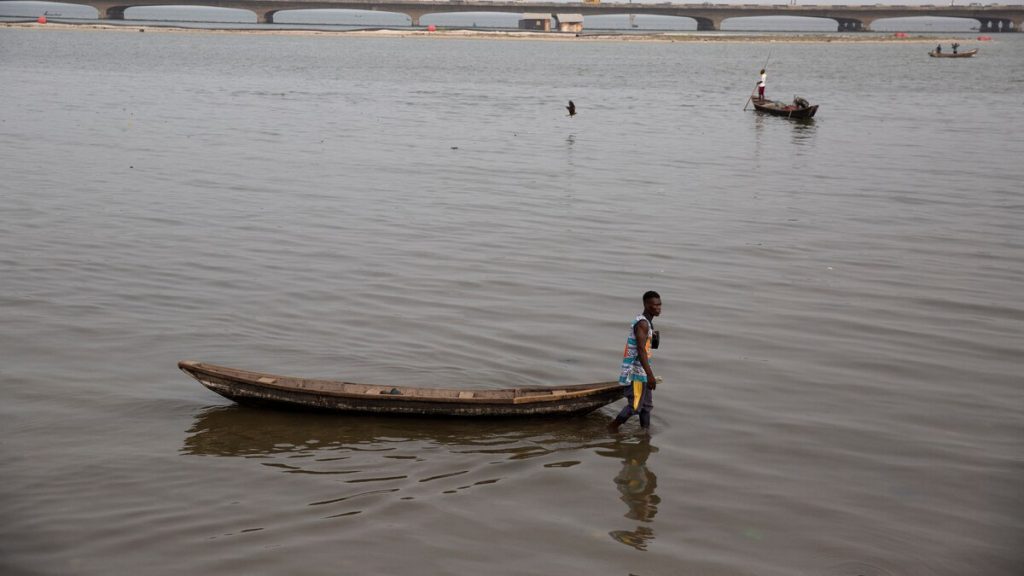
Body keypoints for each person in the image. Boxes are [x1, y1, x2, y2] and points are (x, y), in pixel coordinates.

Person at [608, 291, 661, 433]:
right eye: (654, 305)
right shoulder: (642, 324)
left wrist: (653, 338)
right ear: (646, 305)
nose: (658, 308)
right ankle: (611, 429)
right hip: (636, 372)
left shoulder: (648, 323)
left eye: (659, 304)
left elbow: (647, 347)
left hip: (643, 370)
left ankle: (645, 435)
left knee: (646, 406)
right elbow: (640, 350)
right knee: (634, 406)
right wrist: (650, 375)